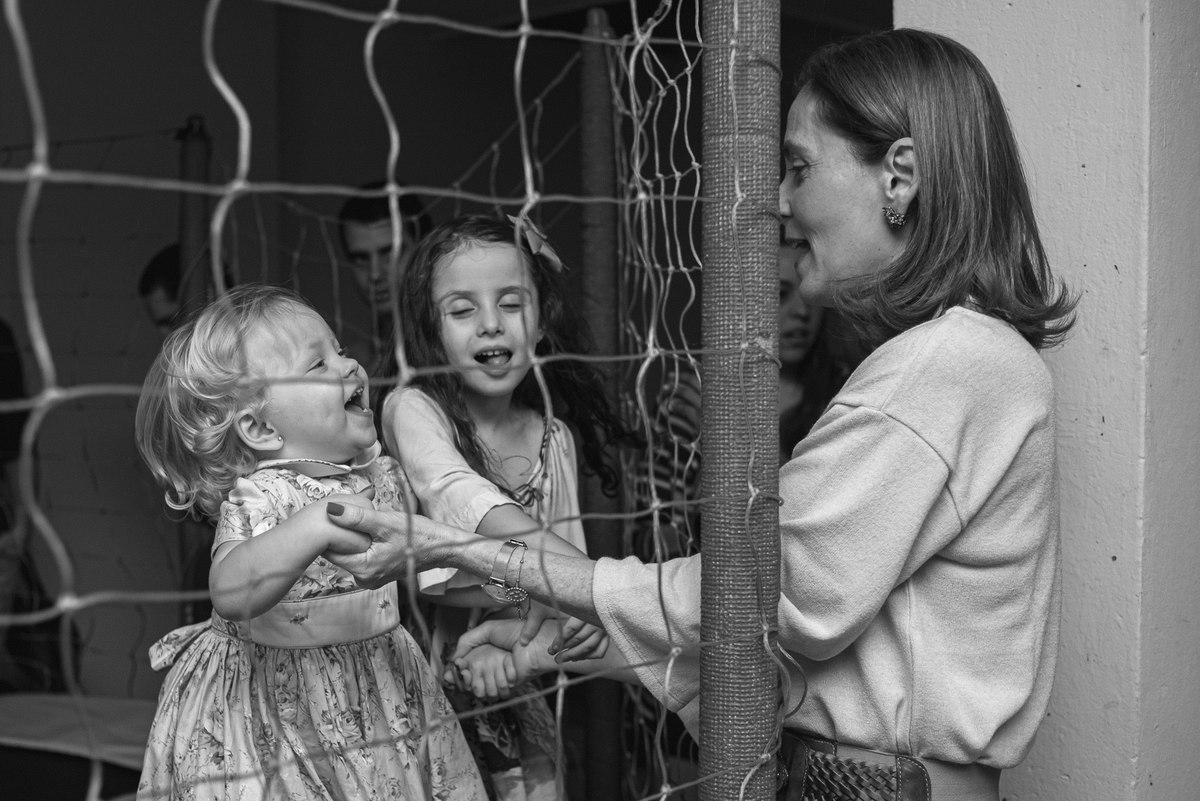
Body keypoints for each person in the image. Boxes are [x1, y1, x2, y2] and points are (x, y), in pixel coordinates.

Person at [323, 28, 1077, 801]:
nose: (780, 201)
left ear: (899, 177)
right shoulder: (952, 360)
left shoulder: (946, 365)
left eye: (798, 166)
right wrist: (585, 648)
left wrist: (462, 546)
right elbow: (802, 642)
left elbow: (759, 596)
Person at [132, 284, 486, 800]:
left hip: (380, 691)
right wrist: (312, 524)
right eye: (317, 365)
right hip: (274, 710)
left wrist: (522, 596)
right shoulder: (263, 496)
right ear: (259, 426)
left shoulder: (385, 479)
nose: (349, 366)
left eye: (340, 350)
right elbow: (230, 593)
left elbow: (438, 578)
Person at [371, 213, 624, 800]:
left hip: (520, 678)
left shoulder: (552, 437)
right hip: (416, 678)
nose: (490, 325)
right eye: (462, 311)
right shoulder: (412, 410)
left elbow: (569, 592)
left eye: (511, 304)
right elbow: (437, 560)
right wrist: (551, 590)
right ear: (431, 332)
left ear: (542, 321)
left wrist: (528, 626)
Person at [337, 181, 433, 371]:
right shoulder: (353, 367)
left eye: (390, 253)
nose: (375, 274)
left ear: (423, 248)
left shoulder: (461, 348)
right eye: (361, 258)